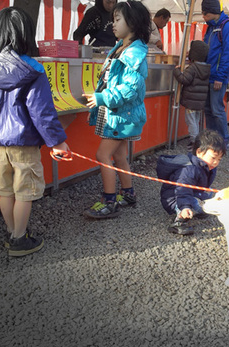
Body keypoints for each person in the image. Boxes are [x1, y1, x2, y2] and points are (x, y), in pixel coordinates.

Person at [0, 7, 69, 256]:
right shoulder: (33, 69)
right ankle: (19, 239)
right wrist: (57, 141)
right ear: (26, 34)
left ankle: (11, 232)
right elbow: (42, 112)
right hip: (24, 144)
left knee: (5, 190)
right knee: (24, 192)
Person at [82, 0, 151, 219]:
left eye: (118, 19)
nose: (113, 24)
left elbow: (130, 88)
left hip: (122, 114)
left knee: (103, 154)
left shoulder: (133, 53)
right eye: (113, 19)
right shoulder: (123, 47)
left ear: (133, 22)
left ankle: (109, 201)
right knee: (120, 155)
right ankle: (128, 194)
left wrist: (103, 97)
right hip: (118, 113)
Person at [157, 129, 226, 235]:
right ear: (199, 152)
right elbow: (182, 190)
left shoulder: (207, 166)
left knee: (212, 196)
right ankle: (179, 221)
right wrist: (185, 207)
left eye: (219, 159)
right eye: (213, 158)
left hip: (192, 193)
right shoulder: (189, 169)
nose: (216, 162)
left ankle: (197, 209)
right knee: (196, 203)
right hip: (175, 198)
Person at [202, 0, 229, 148]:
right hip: (208, 76)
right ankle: (212, 139)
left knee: (217, 109)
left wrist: (221, 77)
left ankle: (223, 139)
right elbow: (206, 49)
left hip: (217, 77)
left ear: (213, 12)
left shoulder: (227, 27)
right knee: (208, 109)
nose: (203, 17)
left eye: (205, 13)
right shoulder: (211, 27)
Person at [172, 41, 211, 152]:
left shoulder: (193, 68)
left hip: (191, 101)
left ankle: (194, 142)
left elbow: (184, 79)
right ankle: (198, 140)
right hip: (200, 101)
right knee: (197, 121)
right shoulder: (207, 68)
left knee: (191, 122)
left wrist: (176, 71)